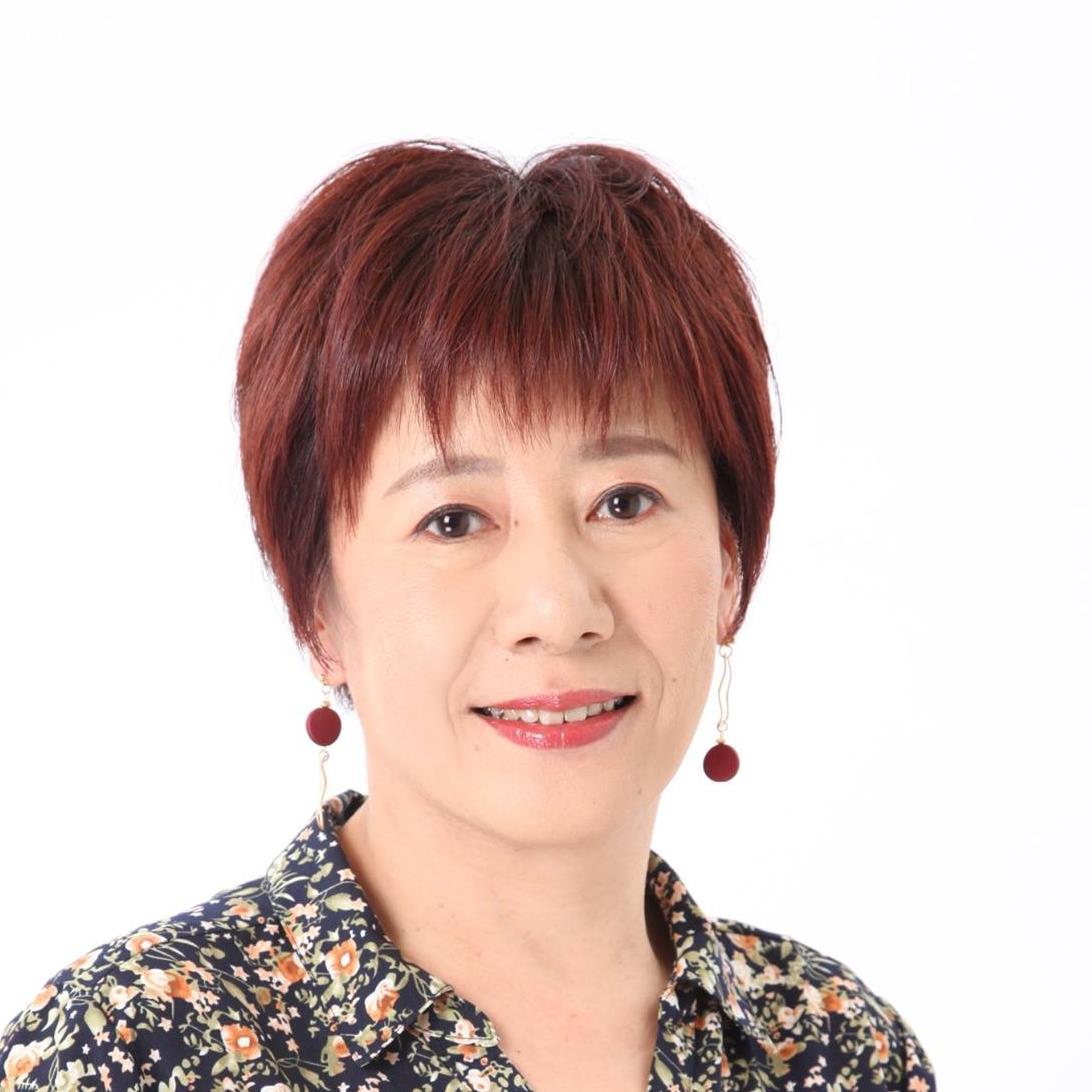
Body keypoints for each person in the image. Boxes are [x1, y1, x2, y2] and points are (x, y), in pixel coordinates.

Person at [0, 140, 935, 1092]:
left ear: (730, 561)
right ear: (316, 608)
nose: (557, 610)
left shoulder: (834, 1048)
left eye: (624, 502)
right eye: (452, 519)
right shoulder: (132, 1047)